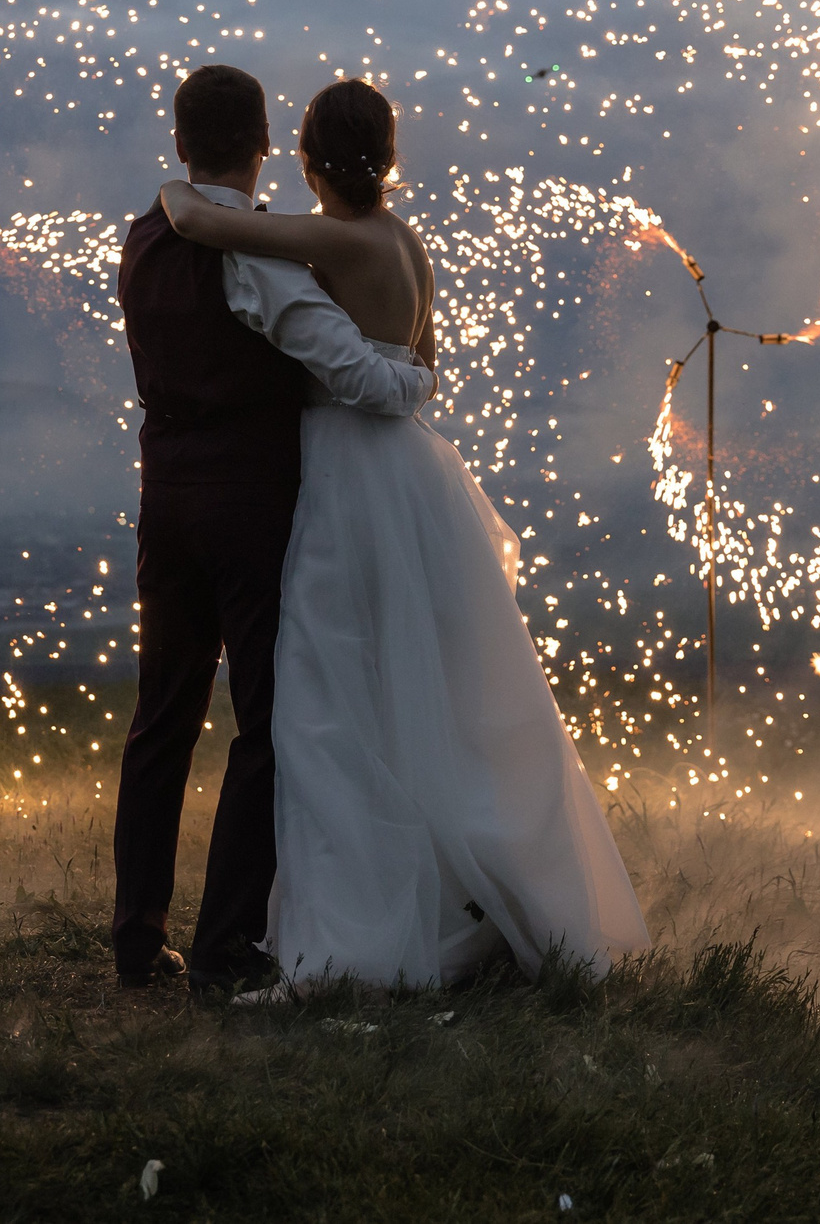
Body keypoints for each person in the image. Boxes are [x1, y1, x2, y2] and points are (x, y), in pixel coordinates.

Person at [158, 77, 652, 990]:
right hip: (417, 472)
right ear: (386, 156)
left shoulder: (328, 237)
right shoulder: (406, 242)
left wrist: (174, 190)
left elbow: (207, 227)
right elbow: (422, 361)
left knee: (332, 693)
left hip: (349, 474)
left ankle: (365, 917)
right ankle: (474, 888)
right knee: (437, 684)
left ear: (305, 156)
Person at [112, 64, 436, 993]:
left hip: (165, 500)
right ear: (262, 147)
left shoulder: (142, 239)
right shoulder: (264, 260)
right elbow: (355, 372)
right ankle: (220, 946)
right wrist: (420, 377)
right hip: (251, 509)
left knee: (161, 721)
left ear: (180, 142)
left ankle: (137, 940)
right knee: (265, 726)